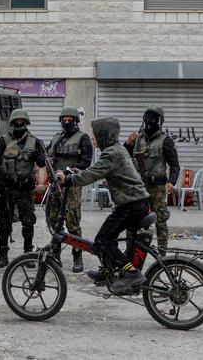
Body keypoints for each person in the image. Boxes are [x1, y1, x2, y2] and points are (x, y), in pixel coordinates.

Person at [55, 117, 151, 295]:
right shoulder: (116, 150)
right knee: (109, 235)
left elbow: (92, 175)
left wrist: (67, 179)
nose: (93, 138)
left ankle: (132, 273)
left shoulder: (111, 153)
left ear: (104, 136)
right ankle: (109, 269)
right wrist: (81, 172)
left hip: (131, 206)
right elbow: (95, 171)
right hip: (135, 204)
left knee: (102, 241)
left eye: (95, 135)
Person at [0, 109, 46, 269]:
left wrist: (40, 156)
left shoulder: (34, 142)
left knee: (28, 222)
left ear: (26, 122)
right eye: (17, 121)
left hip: (25, 190)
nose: (19, 123)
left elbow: (42, 164)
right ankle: (3, 255)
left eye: (22, 121)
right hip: (8, 189)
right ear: (12, 123)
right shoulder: (3, 141)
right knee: (4, 223)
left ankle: (28, 255)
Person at [124, 105, 180, 253]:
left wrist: (171, 182)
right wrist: (128, 143)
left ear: (160, 121)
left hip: (157, 187)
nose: (150, 121)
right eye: (147, 117)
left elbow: (175, 165)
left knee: (160, 218)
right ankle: (130, 250)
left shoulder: (165, 141)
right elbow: (123, 156)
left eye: (154, 118)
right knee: (132, 217)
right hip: (138, 186)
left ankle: (162, 250)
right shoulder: (137, 139)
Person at [45, 106, 93, 272]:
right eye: (64, 120)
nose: (66, 122)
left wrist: (68, 171)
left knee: (72, 221)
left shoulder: (83, 138)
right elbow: (48, 154)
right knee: (53, 220)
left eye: (69, 120)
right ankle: (55, 254)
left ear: (75, 121)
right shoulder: (57, 138)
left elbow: (86, 162)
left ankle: (77, 255)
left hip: (71, 185)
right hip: (55, 185)